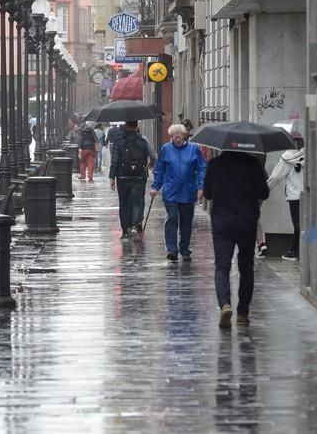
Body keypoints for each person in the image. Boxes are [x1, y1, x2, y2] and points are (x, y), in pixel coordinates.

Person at [204, 151, 269, 328]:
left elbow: (208, 194)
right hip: (247, 222)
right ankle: (242, 313)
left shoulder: (214, 164)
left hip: (222, 223)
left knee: (222, 266)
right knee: (246, 267)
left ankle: (225, 304)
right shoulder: (253, 164)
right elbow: (264, 193)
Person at [150, 124, 208, 262]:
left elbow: (201, 168)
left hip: (188, 192)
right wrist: (155, 187)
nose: (177, 137)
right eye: (174, 135)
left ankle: (185, 249)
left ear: (184, 135)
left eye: (179, 134)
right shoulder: (166, 149)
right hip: (171, 192)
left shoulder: (194, 149)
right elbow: (159, 170)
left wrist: (201, 187)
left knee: (186, 222)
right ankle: (172, 249)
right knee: (172, 218)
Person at [109, 120, 150, 240]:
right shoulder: (142, 142)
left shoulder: (119, 141)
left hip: (122, 177)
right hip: (139, 176)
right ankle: (136, 225)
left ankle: (125, 230)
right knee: (137, 202)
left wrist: (112, 176)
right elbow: (145, 160)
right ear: (137, 126)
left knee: (124, 203)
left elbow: (115, 160)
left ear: (126, 126)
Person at [266, 135, 305, 261]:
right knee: (307, 224)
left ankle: (294, 251)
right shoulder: (312, 154)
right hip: (310, 195)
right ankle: (300, 250)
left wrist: (263, 190)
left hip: (294, 196)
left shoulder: (286, 157)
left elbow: (275, 177)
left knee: (298, 224)